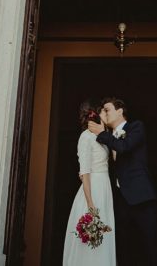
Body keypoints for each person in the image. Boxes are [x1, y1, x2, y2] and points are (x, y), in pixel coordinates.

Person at [88, 97, 157, 266]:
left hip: (142, 198)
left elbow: (124, 146)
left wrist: (102, 133)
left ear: (120, 111)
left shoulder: (136, 127)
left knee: (151, 247)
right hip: (120, 201)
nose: (103, 113)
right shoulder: (105, 138)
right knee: (123, 248)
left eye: (107, 110)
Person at [62, 101, 116, 265]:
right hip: (93, 189)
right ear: (96, 114)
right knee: (92, 236)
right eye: (104, 112)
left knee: (104, 235)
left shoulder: (102, 136)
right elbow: (85, 172)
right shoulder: (85, 136)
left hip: (104, 187)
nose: (107, 114)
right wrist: (90, 203)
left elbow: (115, 156)